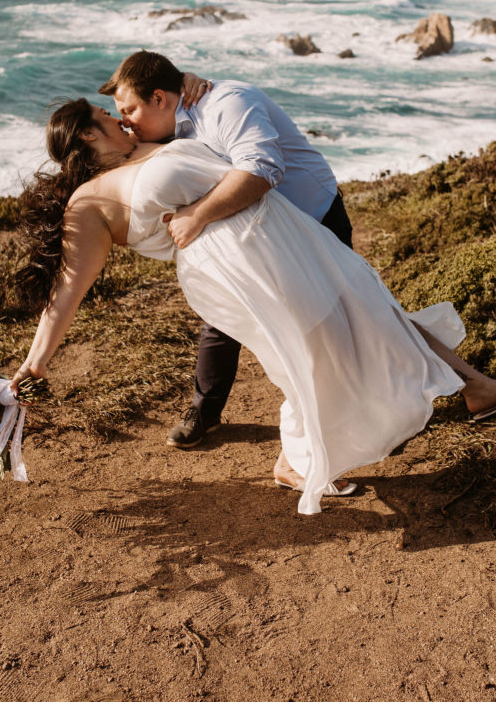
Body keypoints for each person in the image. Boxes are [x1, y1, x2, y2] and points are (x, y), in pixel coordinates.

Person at [11, 98, 496, 516]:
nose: (118, 119)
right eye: (106, 114)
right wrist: (36, 362)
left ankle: (318, 451)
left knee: (366, 313)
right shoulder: (88, 202)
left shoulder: (152, 146)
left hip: (285, 233)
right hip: (236, 267)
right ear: (85, 130)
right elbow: (67, 290)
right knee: (314, 349)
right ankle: (301, 459)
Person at [98, 51, 354, 449]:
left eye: (129, 110)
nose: (126, 122)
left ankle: (378, 401)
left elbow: (263, 168)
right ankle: (206, 411)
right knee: (220, 313)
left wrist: (197, 215)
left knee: (344, 316)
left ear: (161, 99)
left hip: (313, 218)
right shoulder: (168, 124)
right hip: (253, 232)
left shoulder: (225, 103)